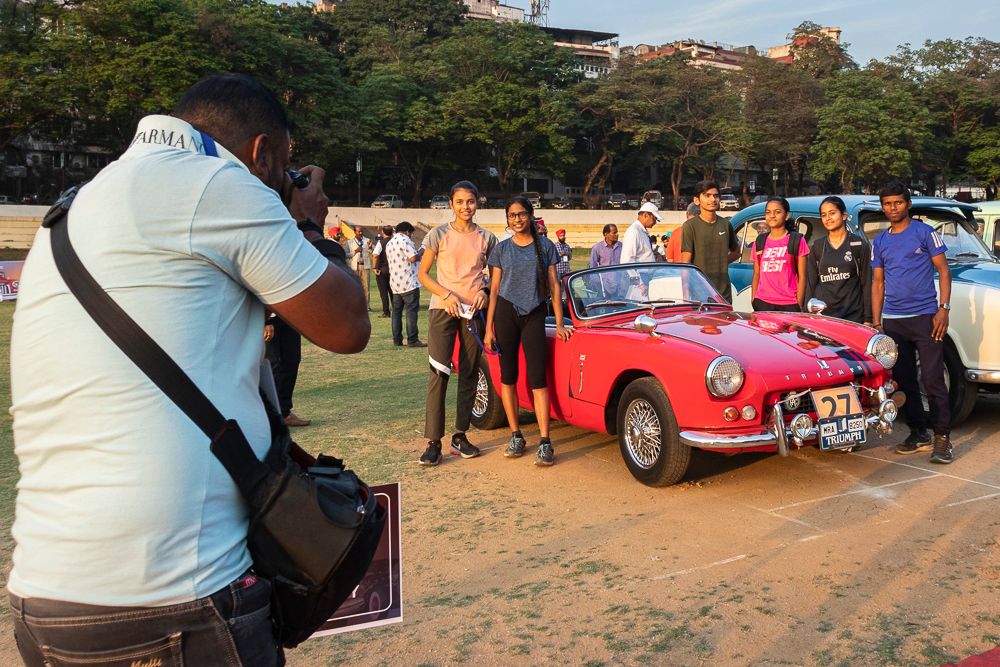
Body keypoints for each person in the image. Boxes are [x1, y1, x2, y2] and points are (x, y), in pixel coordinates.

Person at [8, 73, 369, 666]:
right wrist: (303, 217)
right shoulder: (219, 184)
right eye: (285, 168)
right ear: (262, 152)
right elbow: (348, 325)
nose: (285, 181)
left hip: (45, 593)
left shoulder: (75, 205)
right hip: (172, 592)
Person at [484, 197, 572, 466]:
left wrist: (558, 323)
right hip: (505, 314)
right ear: (507, 219)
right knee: (507, 376)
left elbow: (555, 286)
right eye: (512, 215)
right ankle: (516, 434)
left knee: (538, 378)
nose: (517, 219)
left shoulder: (545, 246)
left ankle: (545, 441)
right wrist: (489, 327)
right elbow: (495, 289)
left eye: (522, 214)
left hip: (534, 313)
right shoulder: (501, 249)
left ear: (531, 216)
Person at [871, 181, 953, 464]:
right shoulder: (880, 241)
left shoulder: (925, 233)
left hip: (926, 318)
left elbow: (944, 271)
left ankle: (942, 438)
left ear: (908, 204)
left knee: (931, 380)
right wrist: (877, 321)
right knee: (904, 381)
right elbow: (878, 282)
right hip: (894, 322)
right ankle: (919, 432)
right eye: (887, 204)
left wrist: (943, 309)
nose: (892, 208)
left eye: (897, 203)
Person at [417, 180, 497, 466]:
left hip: (472, 314)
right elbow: (423, 275)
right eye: (460, 202)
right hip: (443, 310)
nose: (466, 207)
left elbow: (493, 276)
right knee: (439, 374)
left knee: (470, 373)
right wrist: (446, 294)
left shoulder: (488, 238)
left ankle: (460, 436)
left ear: (478, 203)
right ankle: (433, 442)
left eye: (471, 201)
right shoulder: (437, 235)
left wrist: (484, 292)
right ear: (451, 204)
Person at [804, 196, 872, 324]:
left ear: (844, 215)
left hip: (853, 317)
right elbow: (810, 284)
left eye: (832, 213)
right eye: (824, 215)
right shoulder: (817, 247)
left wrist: (868, 319)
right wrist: (807, 316)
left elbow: (867, 284)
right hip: (825, 317)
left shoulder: (858, 244)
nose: (828, 218)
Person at [680, 180, 740, 302]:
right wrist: (685, 295)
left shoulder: (725, 224)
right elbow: (685, 264)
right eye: (707, 195)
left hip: (723, 294)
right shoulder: (689, 226)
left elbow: (736, 252)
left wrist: (720, 261)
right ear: (697, 200)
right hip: (698, 293)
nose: (713, 199)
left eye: (716, 196)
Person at [750, 196, 809, 312]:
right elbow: (757, 274)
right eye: (768, 212)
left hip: (789, 303)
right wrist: (754, 299)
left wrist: (799, 304)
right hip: (763, 302)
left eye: (777, 212)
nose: (772, 215)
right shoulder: (759, 241)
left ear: (787, 215)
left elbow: (803, 277)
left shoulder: (796, 240)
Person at [265, 312, 310, 427]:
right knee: (273, 364)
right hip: (268, 317)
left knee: (291, 360)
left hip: (288, 315)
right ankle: (270, 418)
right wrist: (265, 322)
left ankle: (285, 413)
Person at [386, 221, 426, 348]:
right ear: (407, 231)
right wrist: (422, 250)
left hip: (395, 283)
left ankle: (397, 339)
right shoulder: (405, 240)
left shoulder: (390, 243)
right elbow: (413, 258)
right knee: (411, 312)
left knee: (396, 313)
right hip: (409, 281)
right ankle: (412, 339)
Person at [372, 225, 394, 318]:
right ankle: (397, 311)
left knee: (383, 292)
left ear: (382, 232)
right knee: (393, 292)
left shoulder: (381, 242)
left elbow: (375, 255)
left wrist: (375, 267)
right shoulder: (394, 242)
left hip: (382, 270)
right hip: (393, 270)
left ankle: (386, 312)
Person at [348, 225, 373, 309]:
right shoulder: (349, 242)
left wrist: (370, 248)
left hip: (365, 266)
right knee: (355, 286)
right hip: (355, 266)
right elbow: (346, 254)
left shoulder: (367, 240)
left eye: (362, 231)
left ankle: (366, 306)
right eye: (359, 231)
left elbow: (372, 252)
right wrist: (355, 251)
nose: (361, 233)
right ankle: (356, 306)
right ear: (354, 232)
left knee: (366, 287)